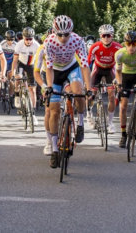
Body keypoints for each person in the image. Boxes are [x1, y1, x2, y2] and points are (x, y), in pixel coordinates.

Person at [43, 15, 91, 168]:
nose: (63, 38)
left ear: (71, 32)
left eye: (66, 34)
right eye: (60, 34)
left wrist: (88, 88)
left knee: (78, 92)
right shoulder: (49, 41)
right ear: (54, 33)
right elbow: (49, 67)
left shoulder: (77, 40)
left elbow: (84, 64)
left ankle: (81, 122)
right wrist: (49, 87)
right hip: (55, 72)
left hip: (72, 68)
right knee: (54, 110)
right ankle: (55, 149)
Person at [87, 24, 122, 132]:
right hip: (97, 69)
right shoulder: (95, 47)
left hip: (110, 70)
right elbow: (88, 64)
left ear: (112, 36)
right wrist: (86, 80)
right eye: (104, 36)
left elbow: (122, 65)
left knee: (112, 96)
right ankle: (89, 115)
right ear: (100, 36)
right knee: (90, 94)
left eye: (108, 35)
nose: (106, 38)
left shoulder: (118, 47)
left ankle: (110, 123)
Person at [12, 27, 40, 117]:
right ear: (23, 38)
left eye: (30, 39)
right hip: (21, 63)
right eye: (26, 39)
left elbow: (40, 61)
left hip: (31, 65)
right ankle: (17, 94)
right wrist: (13, 72)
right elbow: (15, 60)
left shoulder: (36, 45)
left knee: (32, 89)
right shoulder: (19, 45)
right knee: (18, 77)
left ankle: (33, 113)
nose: (28, 41)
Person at [0, 30, 17, 103]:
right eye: (8, 40)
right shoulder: (2, 44)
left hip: (11, 62)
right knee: (1, 76)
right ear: (6, 38)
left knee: (11, 79)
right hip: (3, 61)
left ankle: (11, 94)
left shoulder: (16, 45)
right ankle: (1, 91)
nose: (10, 42)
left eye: (12, 40)